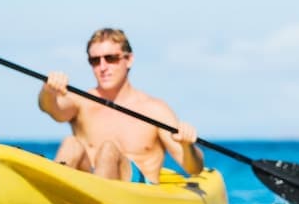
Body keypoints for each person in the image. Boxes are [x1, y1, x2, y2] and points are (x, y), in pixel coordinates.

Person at [38, 28, 204, 184]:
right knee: (71, 143)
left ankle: (96, 200)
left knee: (108, 151)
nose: (103, 67)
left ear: (129, 59)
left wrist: (187, 145)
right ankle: (50, 197)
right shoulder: (81, 102)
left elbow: (193, 168)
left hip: (139, 192)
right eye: (95, 61)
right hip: (92, 186)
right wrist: (48, 90)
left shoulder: (155, 110)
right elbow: (51, 108)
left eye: (111, 58)